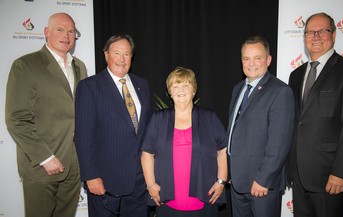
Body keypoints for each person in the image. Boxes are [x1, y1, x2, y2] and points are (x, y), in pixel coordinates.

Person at [287, 12, 343, 217]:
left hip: (331, 178)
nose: (315, 36)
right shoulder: (296, 75)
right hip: (299, 177)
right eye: (310, 32)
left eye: (322, 31)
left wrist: (341, 172)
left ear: (333, 35)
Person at [5, 13, 87, 217]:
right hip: (42, 165)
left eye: (71, 31)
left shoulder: (80, 67)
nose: (67, 35)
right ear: (46, 33)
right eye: (60, 29)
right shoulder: (26, 65)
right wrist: (45, 157)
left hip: (75, 164)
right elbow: (17, 119)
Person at [74, 34, 151, 217]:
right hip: (105, 182)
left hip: (140, 182)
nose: (122, 59)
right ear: (106, 55)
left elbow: (146, 130)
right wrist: (91, 176)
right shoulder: (89, 87)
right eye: (117, 53)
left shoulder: (142, 85)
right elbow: (84, 136)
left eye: (127, 54)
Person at [141, 67, 228, 217]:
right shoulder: (159, 119)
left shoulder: (209, 117)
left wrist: (221, 181)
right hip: (166, 198)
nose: (180, 90)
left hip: (205, 196)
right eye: (175, 86)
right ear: (170, 92)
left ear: (194, 90)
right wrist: (151, 185)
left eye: (186, 85)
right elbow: (147, 153)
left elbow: (222, 150)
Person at [227, 35, 294, 217]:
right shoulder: (238, 89)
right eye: (246, 58)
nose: (251, 63)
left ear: (268, 60)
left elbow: (279, 143)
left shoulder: (280, 91)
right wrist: (231, 170)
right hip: (238, 182)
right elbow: (234, 131)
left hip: (262, 184)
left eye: (258, 58)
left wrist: (263, 180)